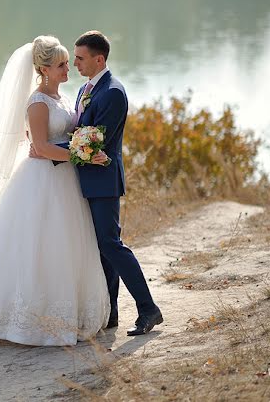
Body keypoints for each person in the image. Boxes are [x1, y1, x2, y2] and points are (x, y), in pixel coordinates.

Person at [0, 36, 110, 346]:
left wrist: (80, 148)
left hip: (65, 180)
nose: (69, 68)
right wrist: (84, 155)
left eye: (69, 62)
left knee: (66, 245)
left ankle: (70, 314)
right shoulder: (37, 103)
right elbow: (39, 147)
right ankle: (24, 320)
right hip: (41, 181)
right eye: (61, 65)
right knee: (37, 245)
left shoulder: (64, 98)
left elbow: (63, 139)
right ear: (43, 69)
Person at [31, 30, 163, 336]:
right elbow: (77, 136)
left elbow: (94, 145)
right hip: (81, 180)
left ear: (98, 58)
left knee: (111, 245)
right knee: (100, 248)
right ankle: (110, 312)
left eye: (79, 58)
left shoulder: (112, 92)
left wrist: (46, 151)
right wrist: (40, 143)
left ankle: (148, 309)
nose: (73, 64)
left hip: (103, 180)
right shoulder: (86, 90)